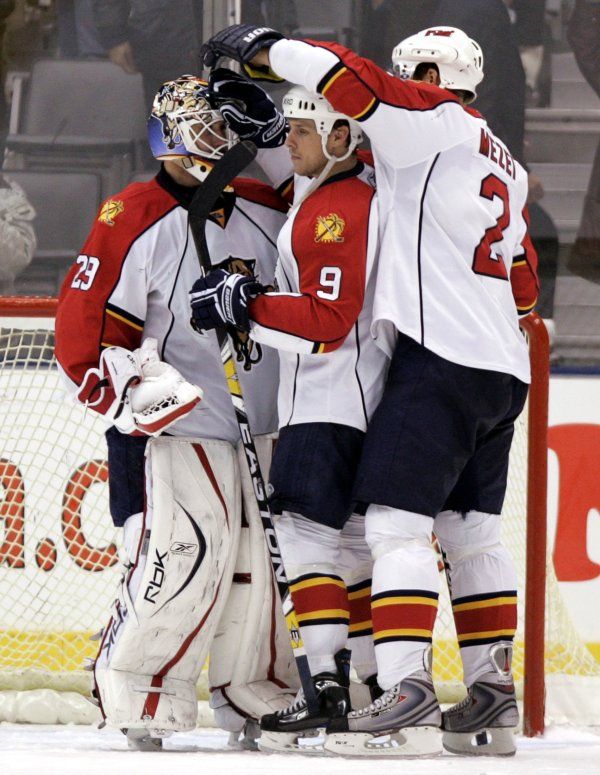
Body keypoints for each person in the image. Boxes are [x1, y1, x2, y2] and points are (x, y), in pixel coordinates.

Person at [200, 22, 539, 758]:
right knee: (471, 532)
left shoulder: (429, 123)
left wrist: (267, 50)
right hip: (505, 367)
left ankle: (405, 689)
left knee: (391, 525)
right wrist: (269, 126)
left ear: (423, 73)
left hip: (440, 358)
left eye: (406, 73)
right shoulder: (503, 160)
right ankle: (490, 691)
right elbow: (525, 283)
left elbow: (346, 83)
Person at [54, 73, 298, 750]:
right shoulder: (132, 215)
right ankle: (142, 688)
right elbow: (87, 325)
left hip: (273, 422)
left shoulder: (260, 204)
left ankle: (260, 694)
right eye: (211, 126)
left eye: (226, 127)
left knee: (264, 567)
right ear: (175, 133)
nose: (223, 139)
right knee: (187, 552)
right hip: (185, 427)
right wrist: (128, 392)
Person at [189, 78, 388, 753]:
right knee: (353, 550)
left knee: (304, 540)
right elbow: (294, 169)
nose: (289, 144)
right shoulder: (330, 188)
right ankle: (366, 687)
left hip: (331, 403)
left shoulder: (339, 207)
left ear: (342, 137)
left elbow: (328, 321)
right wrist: (271, 127)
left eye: (302, 132)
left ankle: (327, 689)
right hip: (352, 401)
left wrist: (243, 301)